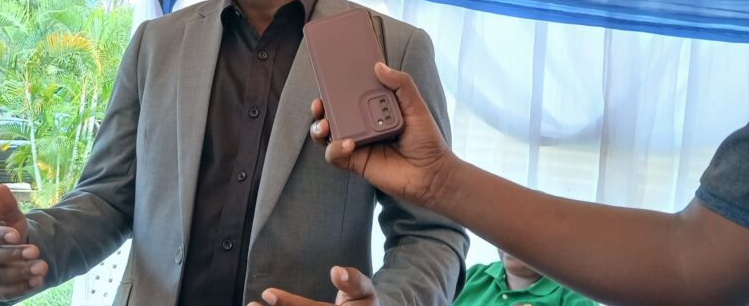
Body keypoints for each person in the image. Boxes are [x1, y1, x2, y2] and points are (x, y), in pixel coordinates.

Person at [0, 0, 468, 305]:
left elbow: (431, 232)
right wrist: (33, 246)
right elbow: (108, 199)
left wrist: (391, 300)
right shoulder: (156, 44)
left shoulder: (390, 50)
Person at [249, 62, 749, 306]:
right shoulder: (479, 281)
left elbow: (690, 261)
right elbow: (687, 256)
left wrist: (440, 183)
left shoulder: (571, 295)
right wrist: (439, 180)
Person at [452, 250, 594, 306]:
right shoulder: (473, 275)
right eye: (504, 231)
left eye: (522, 233)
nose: (510, 241)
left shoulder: (575, 295)